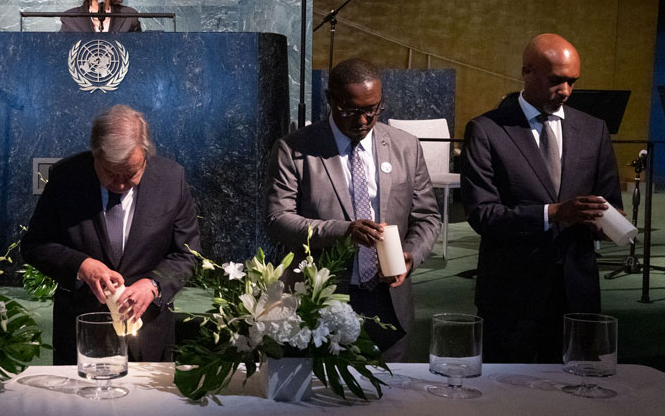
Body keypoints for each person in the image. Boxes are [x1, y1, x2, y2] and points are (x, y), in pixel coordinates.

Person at [265, 58, 440, 362]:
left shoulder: (406, 147)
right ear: (331, 100)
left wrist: (410, 255)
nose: (362, 120)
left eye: (372, 110)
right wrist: (343, 231)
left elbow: (427, 216)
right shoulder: (294, 150)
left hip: (389, 298)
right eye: (350, 110)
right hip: (321, 296)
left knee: (387, 398)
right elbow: (277, 219)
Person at [462, 33, 621, 363]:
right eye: (556, 81)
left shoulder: (594, 130)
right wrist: (554, 213)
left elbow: (610, 202)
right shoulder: (487, 130)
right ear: (527, 72)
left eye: (572, 82)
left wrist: (607, 223)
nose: (565, 91)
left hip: (577, 294)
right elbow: (483, 215)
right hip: (512, 296)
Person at [22, 105, 198, 364]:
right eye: (109, 173)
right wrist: (82, 266)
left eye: (130, 174)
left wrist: (153, 285)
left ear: (145, 155)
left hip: (148, 334)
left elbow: (186, 254)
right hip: (81, 333)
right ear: (95, 155)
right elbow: (35, 244)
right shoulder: (65, 177)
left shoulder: (172, 180)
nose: (120, 184)